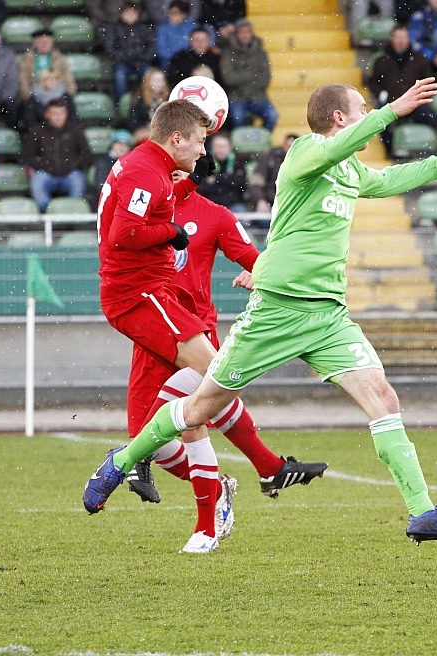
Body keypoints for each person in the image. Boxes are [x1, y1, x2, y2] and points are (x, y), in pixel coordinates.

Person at [83, 79, 437, 547]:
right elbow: (350, 142)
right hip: (277, 307)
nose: (368, 111)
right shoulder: (306, 154)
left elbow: (387, 181)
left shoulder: (349, 169)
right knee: (201, 406)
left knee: (384, 397)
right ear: (339, 117)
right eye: (362, 107)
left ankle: (422, 513)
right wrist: (394, 110)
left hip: (327, 313)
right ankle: (123, 460)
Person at [87, 99, 328, 552]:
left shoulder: (213, 214)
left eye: (204, 150)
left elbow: (256, 260)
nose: (200, 154)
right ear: (175, 143)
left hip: (183, 317)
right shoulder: (149, 177)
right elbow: (124, 234)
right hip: (148, 305)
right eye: (198, 143)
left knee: (208, 391)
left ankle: (210, 516)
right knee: (164, 430)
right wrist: (170, 234)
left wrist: (262, 274)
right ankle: (249, 472)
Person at [368, 25, 435, 152]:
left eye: (404, 37)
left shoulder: (419, 60)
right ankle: (388, 151)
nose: (401, 41)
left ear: (409, 39)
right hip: (391, 103)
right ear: (392, 39)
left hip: (415, 103)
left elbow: (429, 80)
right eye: (397, 37)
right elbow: (374, 83)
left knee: (430, 117)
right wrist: (384, 95)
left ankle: (425, 150)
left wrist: (420, 97)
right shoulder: (381, 61)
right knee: (379, 121)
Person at [24, 98, 92, 212]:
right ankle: (50, 214)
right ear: (47, 114)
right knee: (37, 183)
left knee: (78, 182)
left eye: (61, 113)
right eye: (55, 113)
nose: (58, 117)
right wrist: (46, 165)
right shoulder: (37, 131)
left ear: (66, 114)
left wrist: (72, 165)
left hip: (70, 173)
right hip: (46, 173)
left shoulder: (75, 130)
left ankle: (71, 214)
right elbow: (28, 157)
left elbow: (87, 155)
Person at [220, 18, 278, 131]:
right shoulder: (228, 52)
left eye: (248, 32)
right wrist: (252, 74)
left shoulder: (260, 52)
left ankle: (262, 141)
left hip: (258, 96)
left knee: (272, 116)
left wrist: (241, 77)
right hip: (237, 97)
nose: (245, 35)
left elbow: (266, 78)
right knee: (237, 118)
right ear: (236, 34)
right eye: (242, 32)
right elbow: (228, 79)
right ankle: (239, 145)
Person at [105, 2, 156, 101]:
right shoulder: (114, 29)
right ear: (121, 15)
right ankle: (121, 102)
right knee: (120, 76)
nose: (130, 16)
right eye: (127, 13)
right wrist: (128, 58)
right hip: (122, 63)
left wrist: (142, 59)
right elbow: (110, 49)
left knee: (151, 75)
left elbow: (151, 48)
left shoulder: (144, 29)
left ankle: (150, 101)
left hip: (142, 63)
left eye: (133, 13)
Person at [17, 28, 76, 103]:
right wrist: (29, 96)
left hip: (57, 93)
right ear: (34, 44)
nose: (44, 44)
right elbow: (23, 80)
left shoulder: (59, 58)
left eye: (47, 41)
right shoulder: (26, 59)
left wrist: (69, 93)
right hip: (35, 94)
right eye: (41, 42)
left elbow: (68, 77)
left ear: (52, 43)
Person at [197, 131, 249, 212]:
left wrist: (216, 179)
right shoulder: (204, 162)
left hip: (234, 204)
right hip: (210, 203)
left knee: (242, 218)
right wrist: (228, 179)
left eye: (223, 147)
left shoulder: (238, 161)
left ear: (230, 147)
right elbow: (201, 187)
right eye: (217, 146)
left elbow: (241, 183)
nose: (220, 150)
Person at [247, 131, 295, 214]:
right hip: (269, 202)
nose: (289, 150)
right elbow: (255, 182)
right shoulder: (270, 159)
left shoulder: (302, 163)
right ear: (283, 145)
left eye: (292, 147)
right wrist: (260, 200)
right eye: (288, 146)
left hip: (292, 204)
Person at [88, 129, 132, 208]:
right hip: (107, 202)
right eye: (119, 144)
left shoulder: (132, 164)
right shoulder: (103, 163)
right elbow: (100, 186)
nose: (122, 148)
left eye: (125, 145)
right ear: (112, 145)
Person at [156, 0, 197, 70]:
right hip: (170, 61)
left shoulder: (193, 27)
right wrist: (176, 58)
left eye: (175, 13)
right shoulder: (163, 28)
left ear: (184, 14)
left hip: (189, 60)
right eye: (170, 12)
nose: (171, 15)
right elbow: (162, 49)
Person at [127, 67, 169, 131]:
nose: (160, 83)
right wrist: (146, 126)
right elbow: (133, 122)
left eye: (162, 80)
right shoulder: (139, 100)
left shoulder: (169, 98)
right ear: (148, 81)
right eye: (157, 80)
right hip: (144, 133)